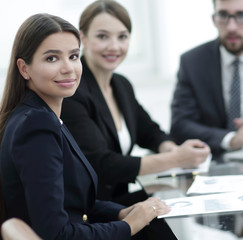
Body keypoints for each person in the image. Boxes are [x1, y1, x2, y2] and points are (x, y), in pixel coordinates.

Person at [0, 13, 175, 240]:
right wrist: (130, 225)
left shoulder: (41, 116)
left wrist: (121, 212)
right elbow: (57, 234)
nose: (68, 68)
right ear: (24, 69)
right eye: (52, 59)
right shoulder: (37, 125)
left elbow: (74, 203)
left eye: (73, 56)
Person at [61, 0, 210, 207]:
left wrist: (169, 147)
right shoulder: (73, 91)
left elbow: (149, 131)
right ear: (83, 38)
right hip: (90, 210)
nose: (114, 46)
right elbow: (102, 164)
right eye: (102, 36)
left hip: (117, 201)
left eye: (122, 36)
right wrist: (176, 159)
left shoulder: (121, 85)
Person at [171, 0, 243, 159]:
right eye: (223, 15)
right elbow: (180, 125)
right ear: (213, 19)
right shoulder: (192, 62)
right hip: (213, 163)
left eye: (241, 15)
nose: (231, 27)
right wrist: (231, 140)